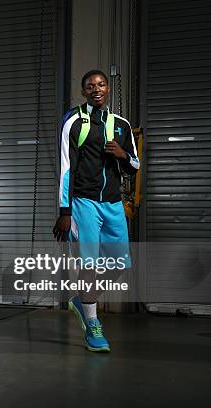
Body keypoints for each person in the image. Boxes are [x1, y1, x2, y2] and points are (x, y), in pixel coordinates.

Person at [53, 70, 139, 352]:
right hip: (83, 202)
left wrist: (122, 155)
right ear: (83, 91)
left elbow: (134, 166)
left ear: (107, 89)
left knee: (119, 266)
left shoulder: (122, 125)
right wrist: (65, 211)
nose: (96, 89)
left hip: (113, 202)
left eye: (101, 84)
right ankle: (92, 325)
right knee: (88, 265)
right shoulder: (73, 120)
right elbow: (67, 168)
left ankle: (81, 300)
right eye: (90, 86)